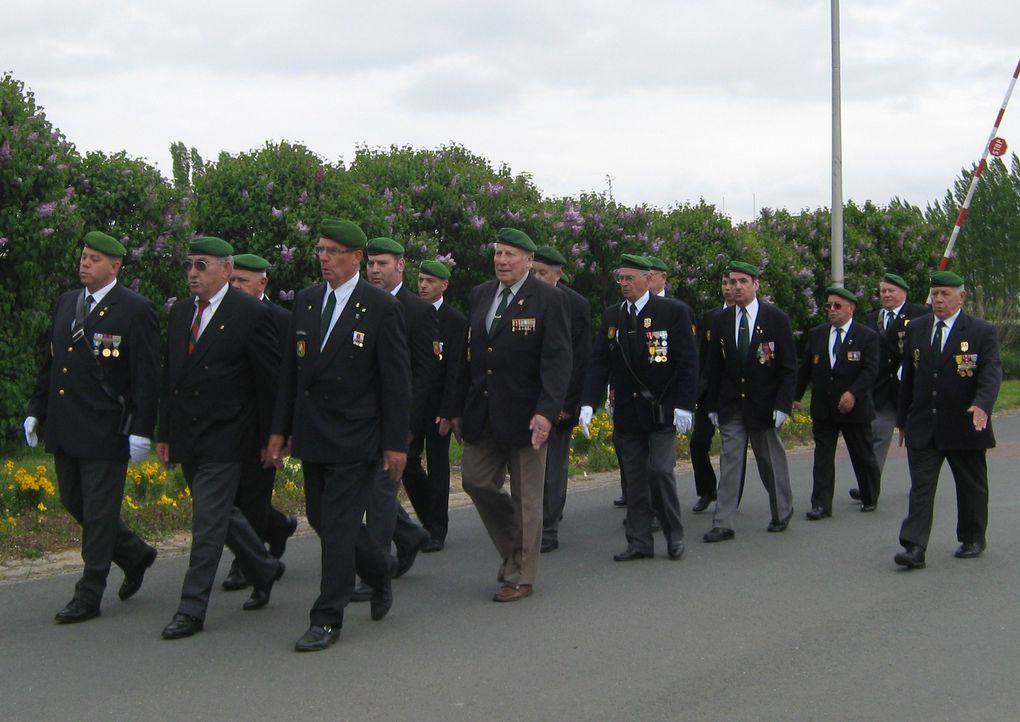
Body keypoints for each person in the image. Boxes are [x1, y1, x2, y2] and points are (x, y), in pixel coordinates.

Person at [268, 218, 410, 651]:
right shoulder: (308, 302)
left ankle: (327, 617)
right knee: (323, 519)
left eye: (332, 251)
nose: (324, 258)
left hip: (357, 435)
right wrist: (279, 430)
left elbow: (396, 382)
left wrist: (395, 444)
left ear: (356, 258)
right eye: (321, 250)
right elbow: (291, 374)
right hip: (313, 432)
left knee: (339, 527)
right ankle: (379, 569)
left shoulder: (381, 307)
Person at [25, 230, 160, 624]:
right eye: (84, 256)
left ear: (115, 267)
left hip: (106, 430)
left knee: (99, 515)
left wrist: (141, 429)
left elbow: (147, 377)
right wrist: (37, 409)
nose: (85, 263)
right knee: (74, 502)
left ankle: (89, 592)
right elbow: (52, 364)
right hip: (66, 426)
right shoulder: (68, 302)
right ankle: (135, 554)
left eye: (95, 259)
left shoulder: (135, 309)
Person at [156, 237, 285, 640]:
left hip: (230, 434)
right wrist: (165, 432)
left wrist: (273, 436)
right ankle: (263, 567)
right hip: (189, 434)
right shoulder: (180, 313)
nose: (193, 273)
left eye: (201, 265)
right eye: (190, 265)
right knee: (219, 513)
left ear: (226, 270)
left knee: (208, 522)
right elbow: (171, 376)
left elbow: (269, 382)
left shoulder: (248, 312)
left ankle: (191, 608)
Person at [445, 228, 571, 602]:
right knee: (475, 480)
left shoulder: (547, 299)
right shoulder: (482, 294)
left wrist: (547, 412)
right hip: (482, 411)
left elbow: (558, 360)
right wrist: (454, 407)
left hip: (527, 415)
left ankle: (520, 573)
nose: (501, 261)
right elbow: (468, 355)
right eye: (498, 253)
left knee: (527, 497)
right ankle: (518, 543)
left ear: (529, 261)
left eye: (510, 255)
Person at [581, 254, 697, 561]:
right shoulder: (612, 316)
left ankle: (674, 534)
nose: (624, 284)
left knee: (660, 471)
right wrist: (588, 404)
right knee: (633, 478)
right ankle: (639, 541)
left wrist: (686, 405)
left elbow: (687, 361)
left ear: (648, 279)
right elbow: (599, 363)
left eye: (630, 278)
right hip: (628, 413)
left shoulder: (672, 312)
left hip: (661, 409)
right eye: (621, 278)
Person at [894, 271, 1001, 570]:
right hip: (924, 424)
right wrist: (902, 420)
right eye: (935, 294)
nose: (938, 300)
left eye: (945, 294)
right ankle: (914, 546)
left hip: (964, 424)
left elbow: (991, 373)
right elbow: (909, 378)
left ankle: (972, 536)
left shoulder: (981, 331)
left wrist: (982, 406)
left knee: (971, 487)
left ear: (961, 297)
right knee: (921, 489)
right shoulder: (916, 328)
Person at [358, 237, 436, 590]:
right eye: (371, 263)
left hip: (396, 423)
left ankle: (374, 572)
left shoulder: (417, 311)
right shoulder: (359, 303)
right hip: (359, 418)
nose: (375, 270)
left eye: (383, 264)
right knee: (367, 492)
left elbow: (423, 375)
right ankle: (408, 534)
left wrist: (407, 426)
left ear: (401, 266)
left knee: (379, 493)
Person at [218, 253, 299, 592]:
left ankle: (244, 563)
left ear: (262, 283)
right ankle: (277, 524)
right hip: (225, 423)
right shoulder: (221, 315)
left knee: (251, 496)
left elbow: (283, 380)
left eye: (242, 282)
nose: (234, 287)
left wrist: (280, 431)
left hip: (263, 423)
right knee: (226, 497)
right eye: (232, 280)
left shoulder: (280, 319)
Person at [702, 260, 797, 541]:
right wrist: (710, 406)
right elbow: (713, 368)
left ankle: (782, 509)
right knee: (730, 460)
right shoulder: (721, 320)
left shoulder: (775, 319)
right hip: (732, 403)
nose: (736, 287)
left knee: (769, 459)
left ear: (756, 285)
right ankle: (724, 522)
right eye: (732, 282)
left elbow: (788, 367)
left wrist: (783, 405)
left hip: (765, 404)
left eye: (743, 281)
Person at [794, 287, 881, 519]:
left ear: (851, 308)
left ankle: (869, 495)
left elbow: (870, 370)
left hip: (855, 407)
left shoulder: (866, 336)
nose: (832, 310)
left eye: (838, 306)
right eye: (829, 306)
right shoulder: (817, 334)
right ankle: (821, 504)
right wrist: (795, 396)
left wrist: (853, 393)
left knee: (862, 454)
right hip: (825, 406)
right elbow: (805, 369)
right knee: (822, 457)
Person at [403, 259, 467, 553]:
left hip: (440, 405)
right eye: (421, 281)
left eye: (430, 282)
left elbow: (455, 369)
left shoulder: (454, 321)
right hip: (414, 403)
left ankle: (437, 528)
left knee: (439, 466)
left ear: (444, 285)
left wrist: (449, 409)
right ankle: (427, 514)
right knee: (408, 462)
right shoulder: (412, 313)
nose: (424, 286)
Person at [531, 245, 592, 553]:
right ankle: (529, 521)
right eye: (534, 272)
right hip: (527, 399)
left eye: (543, 273)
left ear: (558, 275)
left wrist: (569, 404)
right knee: (528, 464)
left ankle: (549, 527)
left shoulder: (575, 305)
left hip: (560, 399)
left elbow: (579, 359)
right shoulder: (521, 299)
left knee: (554, 466)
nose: (537, 278)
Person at [849, 273, 928, 502]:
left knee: (916, 441)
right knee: (877, 435)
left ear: (903, 293)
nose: (886, 295)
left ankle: (921, 485)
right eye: (883, 291)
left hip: (911, 389)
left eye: (890, 291)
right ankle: (869, 486)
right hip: (882, 389)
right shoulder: (874, 318)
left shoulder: (919, 315)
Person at [689, 272, 746, 513]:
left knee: (734, 449)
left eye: (731, 283)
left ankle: (731, 497)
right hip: (709, 392)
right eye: (723, 284)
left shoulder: (748, 317)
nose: (728, 288)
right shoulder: (711, 317)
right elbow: (702, 357)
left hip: (734, 393)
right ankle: (707, 489)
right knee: (698, 442)